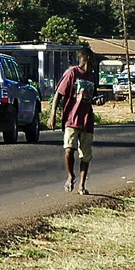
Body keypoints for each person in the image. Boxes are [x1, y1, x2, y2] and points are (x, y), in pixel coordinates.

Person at [48, 47, 99, 194]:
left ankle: (82, 185)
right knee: (69, 150)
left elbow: (92, 97)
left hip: (87, 119)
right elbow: (58, 94)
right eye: (93, 57)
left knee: (85, 154)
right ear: (87, 57)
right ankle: (71, 175)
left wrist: (98, 100)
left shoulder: (92, 76)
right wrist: (52, 115)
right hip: (71, 118)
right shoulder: (72, 73)